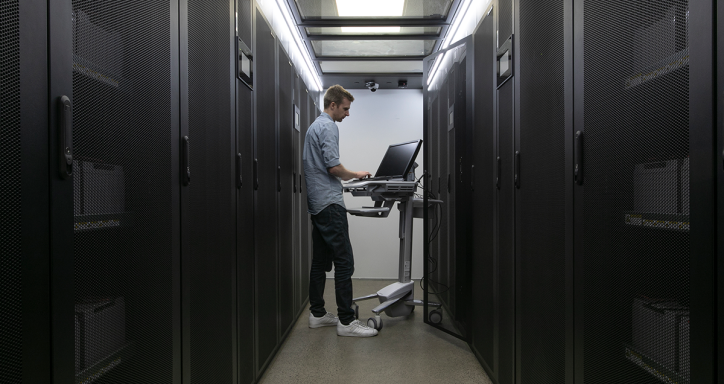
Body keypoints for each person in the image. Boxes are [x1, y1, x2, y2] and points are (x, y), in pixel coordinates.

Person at [303, 85, 378, 337]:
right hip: (330, 203)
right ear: (332, 105)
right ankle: (346, 322)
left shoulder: (314, 126)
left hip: (317, 204)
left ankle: (317, 314)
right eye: (345, 109)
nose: (347, 114)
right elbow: (334, 168)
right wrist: (356, 174)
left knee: (320, 262)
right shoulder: (328, 126)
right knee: (345, 262)